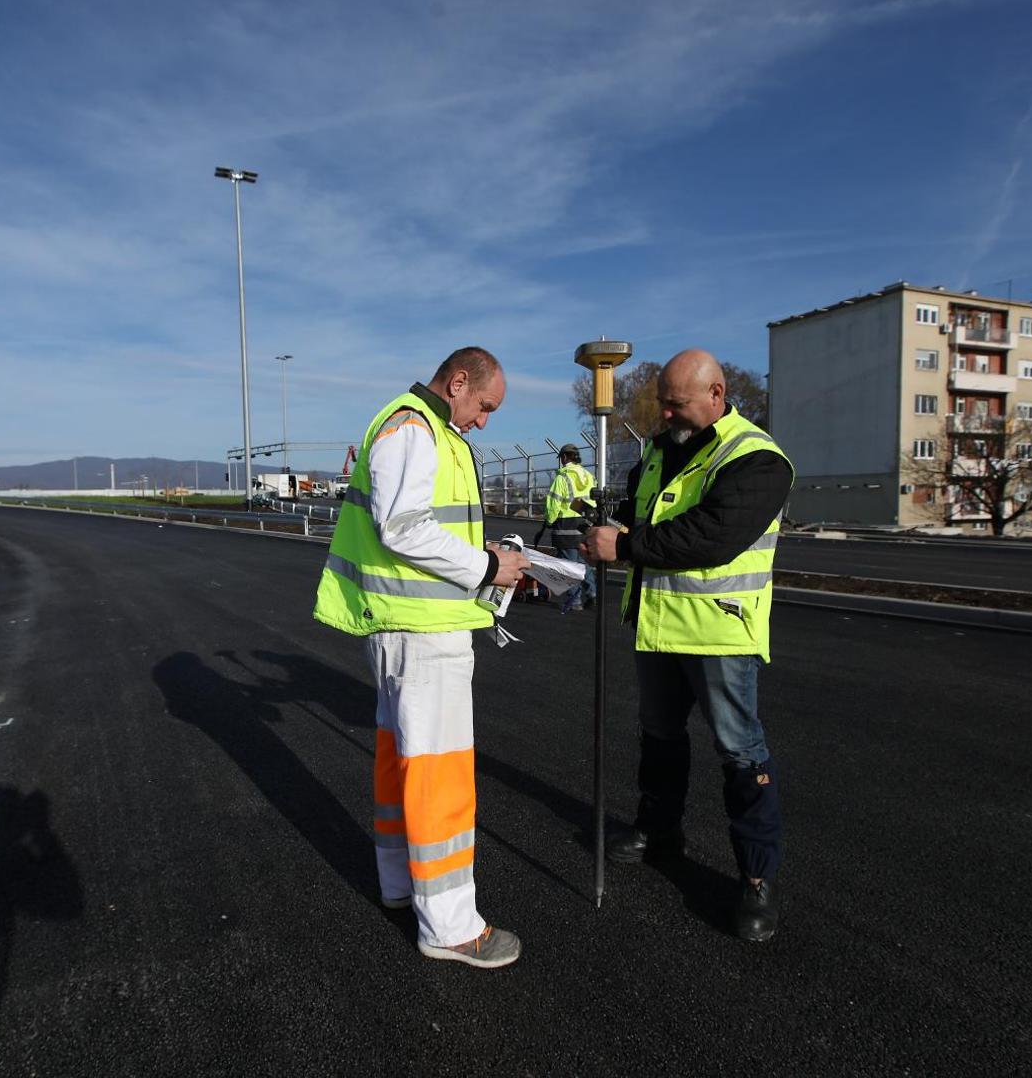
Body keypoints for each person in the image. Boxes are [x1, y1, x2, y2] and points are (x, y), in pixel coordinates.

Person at [313, 346, 529, 969]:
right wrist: (487, 565)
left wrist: (482, 554)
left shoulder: (418, 427)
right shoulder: (414, 428)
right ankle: (451, 927)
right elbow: (403, 527)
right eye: (485, 406)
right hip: (423, 634)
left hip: (408, 629)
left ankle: (401, 884)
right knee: (440, 778)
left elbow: (416, 526)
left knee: (401, 765)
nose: (484, 421)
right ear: (458, 382)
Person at [581, 349, 794, 943]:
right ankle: (659, 830)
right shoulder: (658, 451)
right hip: (657, 624)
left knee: (740, 752)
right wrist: (610, 526)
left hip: (718, 632)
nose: (666, 413)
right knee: (659, 736)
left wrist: (625, 547)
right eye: (663, 402)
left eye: (677, 403)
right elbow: (641, 514)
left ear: (717, 394)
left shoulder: (756, 458)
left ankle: (756, 879)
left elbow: (713, 536)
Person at [544, 444, 597, 612]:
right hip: (585, 524)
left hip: (566, 526)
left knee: (569, 565)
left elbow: (554, 503)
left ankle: (575, 601)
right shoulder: (589, 476)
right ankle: (592, 593)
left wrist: (549, 520)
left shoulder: (562, 478)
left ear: (565, 457)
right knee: (582, 562)